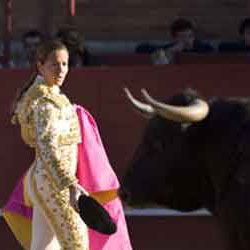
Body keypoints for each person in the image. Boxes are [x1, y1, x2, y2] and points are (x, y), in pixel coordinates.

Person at [2, 39, 132, 250]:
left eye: (65, 64)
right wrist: (71, 185)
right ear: (40, 65)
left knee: (43, 247)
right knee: (77, 245)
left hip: (44, 181)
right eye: (55, 64)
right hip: (56, 186)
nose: (61, 70)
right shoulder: (46, 103)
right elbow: (48, 150)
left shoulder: (46, 97)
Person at [136, 18, 213, 64]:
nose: (187, 40)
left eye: (190, 36)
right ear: (175, 38)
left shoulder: (204, 48)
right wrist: (171, 51)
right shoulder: (170, 48)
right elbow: (155, 61)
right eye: (182, 37)